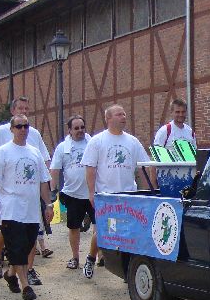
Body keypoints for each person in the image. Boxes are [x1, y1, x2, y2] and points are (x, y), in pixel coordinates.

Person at [0, 114, 53, 300]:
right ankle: (26, 286)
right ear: (12, 129)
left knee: (28, 244)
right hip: (11, 208)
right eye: (19, 126)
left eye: (25, 126)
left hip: (31, 209)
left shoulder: (35, 153)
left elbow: (43, 182)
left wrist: (48, 204)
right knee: (16, 245)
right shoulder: (3, 152)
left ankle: (10, 274)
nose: (23, 129)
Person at [81, 105, 152, 279]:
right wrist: (91, 193)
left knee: (130, 233)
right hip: (107, 196)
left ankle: (128, 269)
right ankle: (91, 258)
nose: (123, 117)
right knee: (104, 231)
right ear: (108, 118)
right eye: (119, 114)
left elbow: (145, 167)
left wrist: (148, 191)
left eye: (124, 114)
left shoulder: (132, 142)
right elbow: (90, 169)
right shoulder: (97, 141)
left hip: (129, 196)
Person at [50, 115, 96, 271]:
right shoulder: (62, 147)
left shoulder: (93, 143)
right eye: (76, 128)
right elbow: (55, 170)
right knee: (74, 227)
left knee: (99, 226)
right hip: (73, 194)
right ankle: (75, 257)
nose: (80, 130)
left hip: (93, 193)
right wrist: (52, 191)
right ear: (69, 130)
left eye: (82, 127)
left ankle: (98, 256)